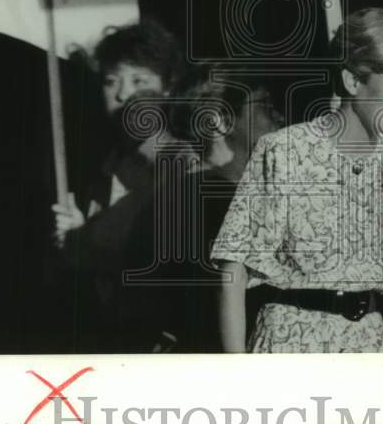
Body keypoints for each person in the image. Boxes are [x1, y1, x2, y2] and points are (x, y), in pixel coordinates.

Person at [212, 8, 383, 353]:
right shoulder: (284, 150)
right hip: (289, 342)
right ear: (352, 81)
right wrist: (236, 373)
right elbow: (232, 269)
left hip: (368, 346)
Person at [121, 63, 284, 352]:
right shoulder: (219, 206)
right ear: (219, 121)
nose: (279, 116)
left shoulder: (174, 198)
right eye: (264, 105)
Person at [51, 19, 186, 350]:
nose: (123, 94)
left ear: (168, 88)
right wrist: (75, 234)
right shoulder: (103, 168)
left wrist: (84, 237)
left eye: (139, 80)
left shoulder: (182, 165)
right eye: (111, 81)